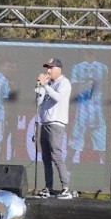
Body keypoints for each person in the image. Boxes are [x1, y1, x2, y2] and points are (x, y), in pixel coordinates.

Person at [35, 58, 72, 199]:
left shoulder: (64, 83)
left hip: (56, 124)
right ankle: (48, 187)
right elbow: (39, 101)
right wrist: (40, 86)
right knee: (46, 157)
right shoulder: (48, 84)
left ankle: (65, 188)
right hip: (44, 123)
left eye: (51, 68)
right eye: (47, 68)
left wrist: (46, 86)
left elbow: (57, 98)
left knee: (56, 155)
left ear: (59, 69)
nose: (48, 71)